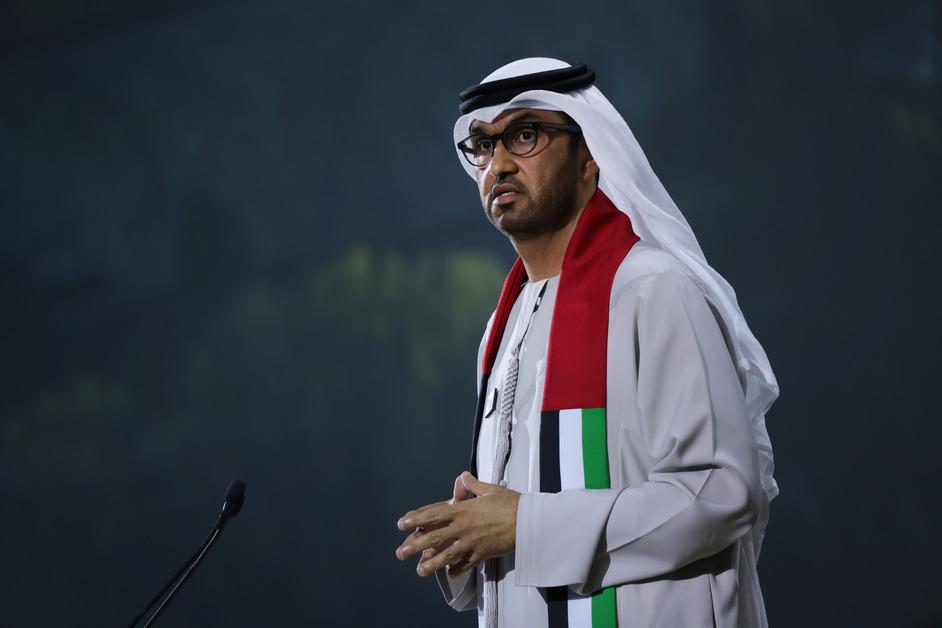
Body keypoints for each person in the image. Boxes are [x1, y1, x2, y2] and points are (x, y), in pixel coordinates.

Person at [395, 58, 779, 628]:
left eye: (524, 135)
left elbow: (722, 493)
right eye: (483, 145)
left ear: (590, 154)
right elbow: (524, 527)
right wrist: (470, 539)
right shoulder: (506, 325)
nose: (498, 162)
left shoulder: (653, 289)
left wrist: (524, 525)